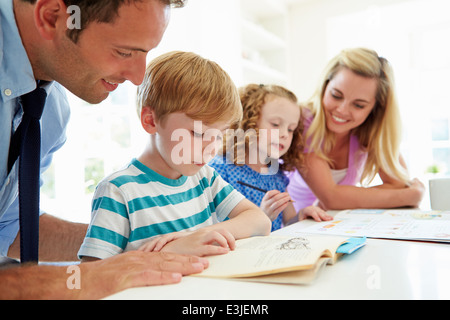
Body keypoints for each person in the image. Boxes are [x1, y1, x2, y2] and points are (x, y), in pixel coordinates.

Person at [1, 0, 210, 300]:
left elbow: (8, 225)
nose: (139, 77)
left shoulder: (50, 114)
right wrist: (72, 281)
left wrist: (144, 243)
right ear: (51, 16)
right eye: (124, 52)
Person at [78, 51, 272, 261]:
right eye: (198, 133)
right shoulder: (118, 192)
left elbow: (260, 221)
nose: (210, 149)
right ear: (151, 121)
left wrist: (199, 236)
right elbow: (91, 274)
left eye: (219, 136)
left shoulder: (205, 178)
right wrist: (169, 252)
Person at [287, 48, 425, 211]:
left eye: (359, 105)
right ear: (325, 86)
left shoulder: (370, 130)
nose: (342, 110)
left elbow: (398, 184)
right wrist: (411, 196)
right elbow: (332, 199)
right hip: (295, 225)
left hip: (336, 224)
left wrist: (345, 198)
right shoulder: (302, 122)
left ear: (375, 108)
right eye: (336, 95)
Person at [208, 84, 332, 232]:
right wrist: (261, 217)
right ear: (248, 122)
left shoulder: (275, 173)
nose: (285, 134)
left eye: (291, 129)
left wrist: (301, 216)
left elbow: (289, 221)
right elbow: (214, 232)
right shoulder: (220, 171)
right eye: (275, 124)